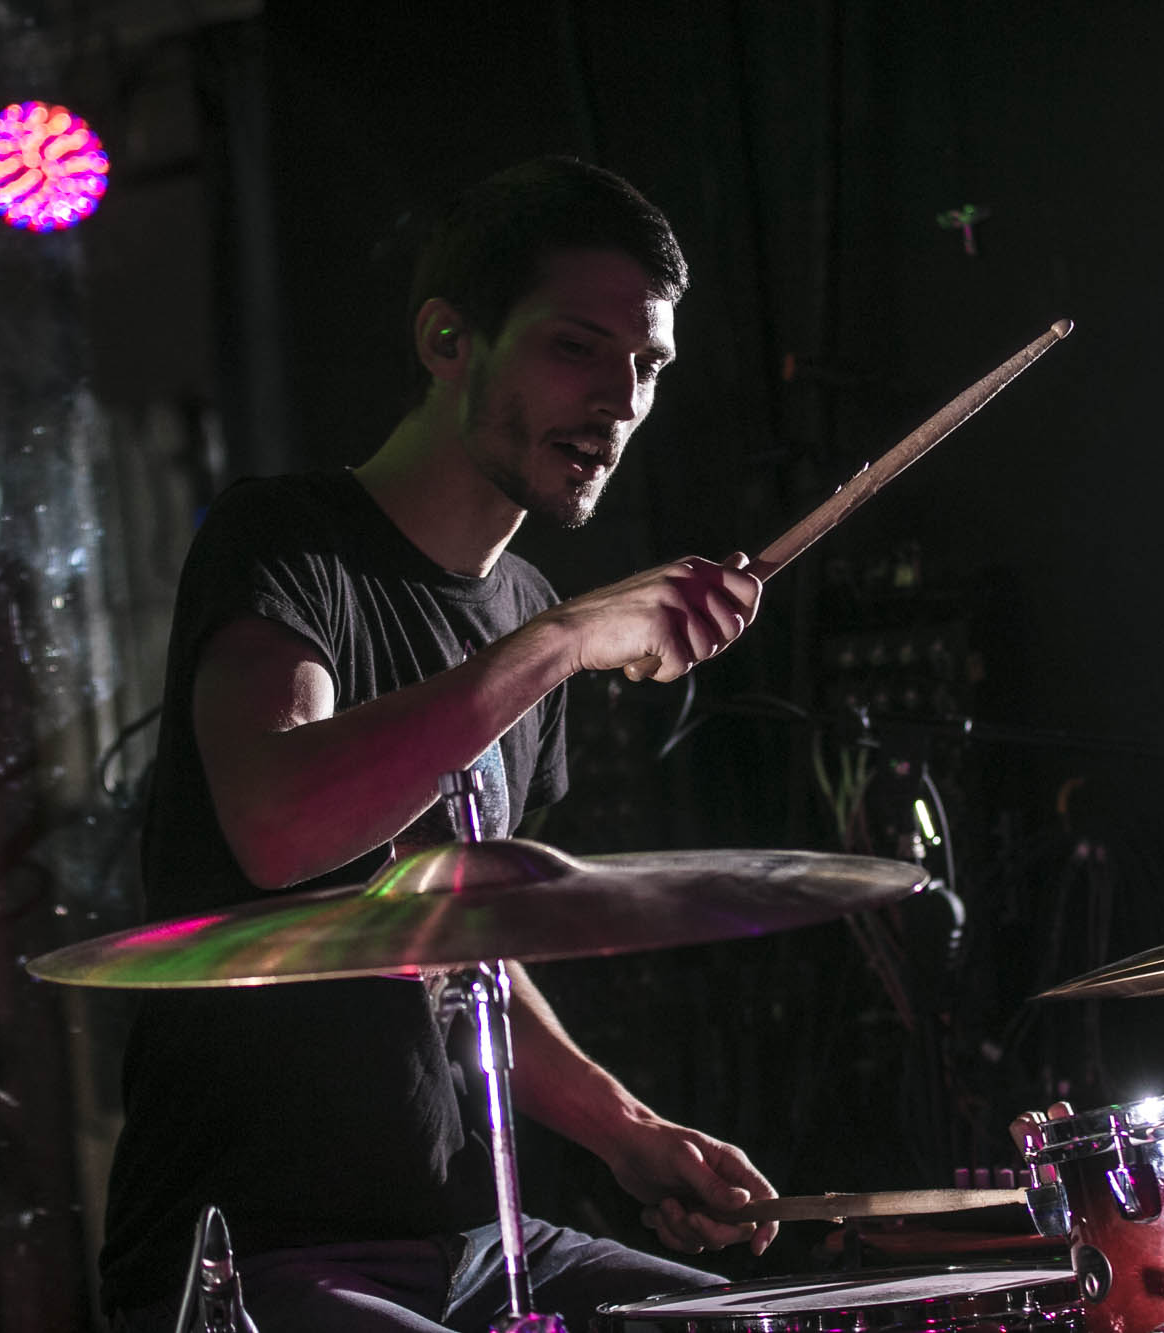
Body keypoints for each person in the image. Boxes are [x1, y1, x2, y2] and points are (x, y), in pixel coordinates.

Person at [99, 156, 778, 1332]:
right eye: (576, 347)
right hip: (257, 1256)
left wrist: (631, 1134)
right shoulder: (288, 542)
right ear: (446, 340)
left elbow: (456, 945)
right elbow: (282, 826)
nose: (619, 401)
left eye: (647, 367)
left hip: (471, 1236)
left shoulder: (520, 607)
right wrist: (565, 638)